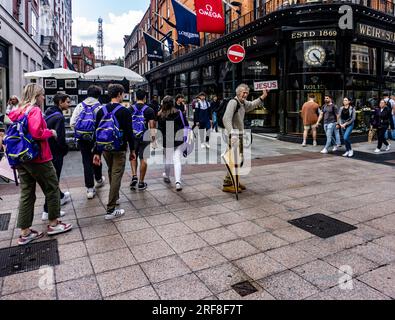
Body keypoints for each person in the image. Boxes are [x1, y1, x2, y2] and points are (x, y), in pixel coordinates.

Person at [8, 84, 72, 245]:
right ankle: (54, 224)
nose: (44, 98)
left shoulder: (18, 111)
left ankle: (25, 232)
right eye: (42, 95)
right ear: (37, 96)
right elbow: (36, 132)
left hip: (21, 158)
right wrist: (51, 132)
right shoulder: (34, 110)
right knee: (52, 188)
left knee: (27, 193)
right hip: (39, 157)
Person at [93, 84, 136, 220]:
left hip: (105, 147)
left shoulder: (101, 110)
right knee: (117, 174)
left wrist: (96, 152)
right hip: (119, 147)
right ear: (118, 94)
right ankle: (111, 209)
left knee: (112, 171)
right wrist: (133, 150)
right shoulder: (124, 111)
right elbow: (129, 133)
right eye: (122, 94)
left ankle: (115, 196)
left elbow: (97, 132)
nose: (123, 96)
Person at [222, 84, 268, 193]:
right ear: (238, 93)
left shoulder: (243, 103)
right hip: (233, 136)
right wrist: (232, 134)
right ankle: (227, 183)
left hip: (239, 135)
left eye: (247, 93)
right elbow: (226, 119)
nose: (245, 94)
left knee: (239, 160)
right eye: (243, 92)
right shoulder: (233, 102)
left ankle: (234, 181)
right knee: (234, 160)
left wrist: (263, 96)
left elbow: (252, 105)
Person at [70, 85, 105, 199]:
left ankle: (90, 188)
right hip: (96, 139)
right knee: (97, 157)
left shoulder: (80, 106)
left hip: (82, 139)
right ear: (98, 95)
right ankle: (99, 178)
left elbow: (72, 123)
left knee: (86, 161)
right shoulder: (100, 107)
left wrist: (81, 132)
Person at [42, 93, 71, 220]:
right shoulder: (59, 117)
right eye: (67, 102)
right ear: (60, 102)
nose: (69, 104)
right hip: (55, 152)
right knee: (54, 180)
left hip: (46, 150)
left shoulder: (47, 112)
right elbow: (60, 137)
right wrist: (65, 149)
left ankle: (61, 197)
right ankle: (47, 211)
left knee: (51, 179)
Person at [129, 89, 156, 191]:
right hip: (145, 136)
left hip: (133, 137)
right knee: (143, 159)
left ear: (136, 97)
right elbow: (152, 125)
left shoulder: (130, 109)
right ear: (145, 98)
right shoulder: (149, 110)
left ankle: (134, 175)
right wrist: (153, 139)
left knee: (133, 156)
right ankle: (141, 182)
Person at [158, 96, 186, 192]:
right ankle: (178, 182)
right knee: (177, 160)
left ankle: (166, 175)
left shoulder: (161, 115)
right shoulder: (179, 113)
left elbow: (160, 130)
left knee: (167, 159)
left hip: (167, 139)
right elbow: (184, 125)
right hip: (178, 138)